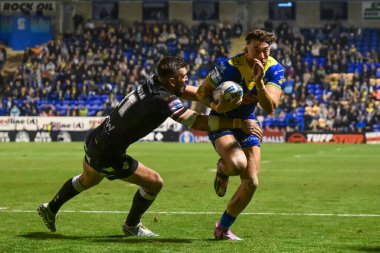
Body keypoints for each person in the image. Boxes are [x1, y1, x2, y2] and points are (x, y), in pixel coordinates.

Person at [37, 56, 263, 237]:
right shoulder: (163, 99)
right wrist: (237, 122)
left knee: (88, 179)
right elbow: (198, 122)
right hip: (109, 153)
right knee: (154, 182)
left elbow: (191, 92)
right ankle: (131, 226)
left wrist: (214, 99)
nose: (187, 79)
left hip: (97, 138)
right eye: (184, 76)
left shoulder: (155, 83)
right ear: (172, 80)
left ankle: (51, 208)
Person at [196, 30, 285, 240]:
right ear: (246, 49)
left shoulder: (274, 68)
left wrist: (260, 82)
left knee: (252, 182)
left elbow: (270, 107)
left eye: (266, 51)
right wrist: (214, 104)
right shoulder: (228, 68)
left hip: (247, 121)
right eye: (257, 50)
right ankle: (223, 169)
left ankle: (223, 228)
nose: (262, 56)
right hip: (223, 121)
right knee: (236, 165)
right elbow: (201, 92)